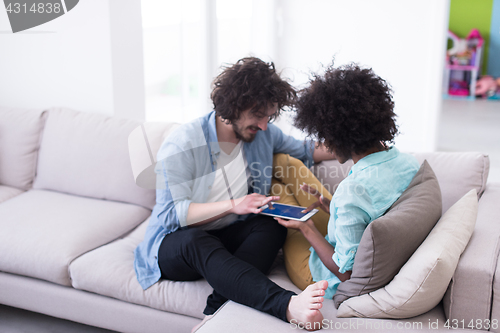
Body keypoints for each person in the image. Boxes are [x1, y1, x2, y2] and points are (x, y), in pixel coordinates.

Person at [133, 57, 335, 331]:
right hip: (176, 245)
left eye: (269, 117)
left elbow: (306, 150)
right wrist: (233, 205)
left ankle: (216, 309)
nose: (264, 125)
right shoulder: (183, 143)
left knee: (268, 225)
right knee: (195, 240)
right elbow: (172, 215)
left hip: (228, 236)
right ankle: (287, 305)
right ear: (233, 106)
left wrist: (357, 144)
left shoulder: (263, 135)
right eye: (257, 115)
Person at [273, 63, 420, 300]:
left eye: (325, 136)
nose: (325, 145)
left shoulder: (351, 192)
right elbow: (370, 213)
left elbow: (347, 273)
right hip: (342, 231)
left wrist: (306, 229)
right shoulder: (406, 162)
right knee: (284, 163)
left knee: (279, 189)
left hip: (321, 276)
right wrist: (332, 207)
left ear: (342, 133)